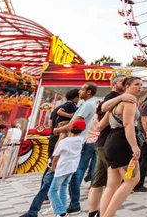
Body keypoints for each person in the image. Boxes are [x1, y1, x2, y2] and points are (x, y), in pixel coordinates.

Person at [87, 74, 130, 217]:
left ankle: (95, 212)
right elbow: (104, 121)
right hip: (109, 143)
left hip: (102, 144)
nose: (124, 84)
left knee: (99, 181)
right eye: (121, 81)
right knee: (118, 182)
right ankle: (105, 213)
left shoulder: (113, 98)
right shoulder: (113, 97)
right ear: (113, 83)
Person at [52, 82, 98, 215]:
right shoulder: (85, 104)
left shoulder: (88, 104)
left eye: (82, 89)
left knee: (75, 172)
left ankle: (73, 204)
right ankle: (68, 204)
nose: (79, 92)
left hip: (79, 141)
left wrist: (58, 129)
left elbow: (75, 122)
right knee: (73, 173)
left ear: (88, 91)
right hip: (81, 140)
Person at [100, 76, 143, 217]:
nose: (140, 87)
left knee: (112, 184)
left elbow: (100, 125)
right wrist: (134, 146)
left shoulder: (115, 104)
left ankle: (103, 214)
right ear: (127, 86)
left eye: (141, 85)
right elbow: (128, 124)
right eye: (136, 84)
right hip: (122, 142)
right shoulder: (130, 100)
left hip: (110, 141)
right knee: (132, 180)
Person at [48, 120, 85, 217]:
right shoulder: (81, 140)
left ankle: (61, 212)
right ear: (82, 130)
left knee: (52, 191)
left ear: (70, 128)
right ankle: (63, 209)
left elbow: (56, 155)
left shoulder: (64, 141)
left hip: (63, 167)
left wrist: (53, 165)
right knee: (63, 188)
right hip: (72, 167)